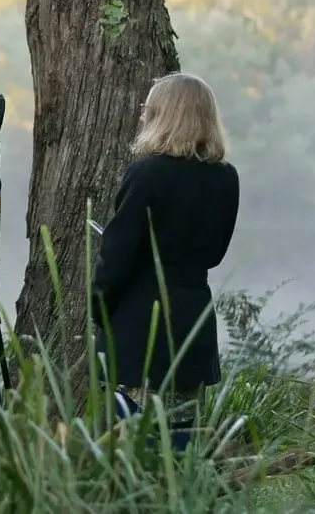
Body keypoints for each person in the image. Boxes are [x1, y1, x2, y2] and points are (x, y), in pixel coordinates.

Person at [90, 72, 239, 451]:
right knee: (181, 440)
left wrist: (98, 307)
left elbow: (117, 257)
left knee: (135, 443)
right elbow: (215, 253)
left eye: (148, 108)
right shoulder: (226, 177)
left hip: (143, 328)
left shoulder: (147, 173)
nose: (142, 114)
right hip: (193, 324)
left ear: (163, 114)